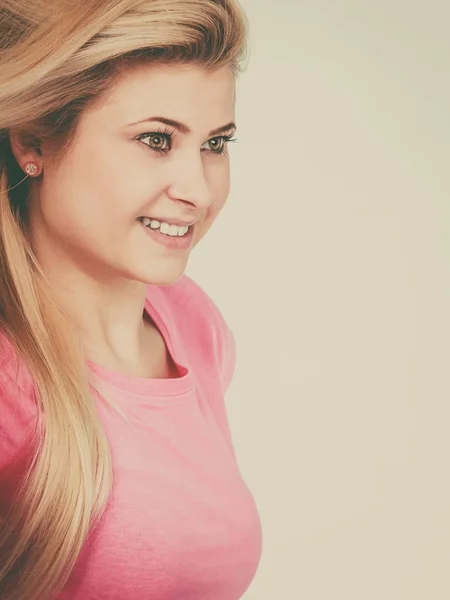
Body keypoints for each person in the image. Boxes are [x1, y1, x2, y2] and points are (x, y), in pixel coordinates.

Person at [0, 0, 263, 598]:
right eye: (155, 139)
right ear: (31, 141)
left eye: (215, 144)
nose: (197, 190)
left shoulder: (191, 324)